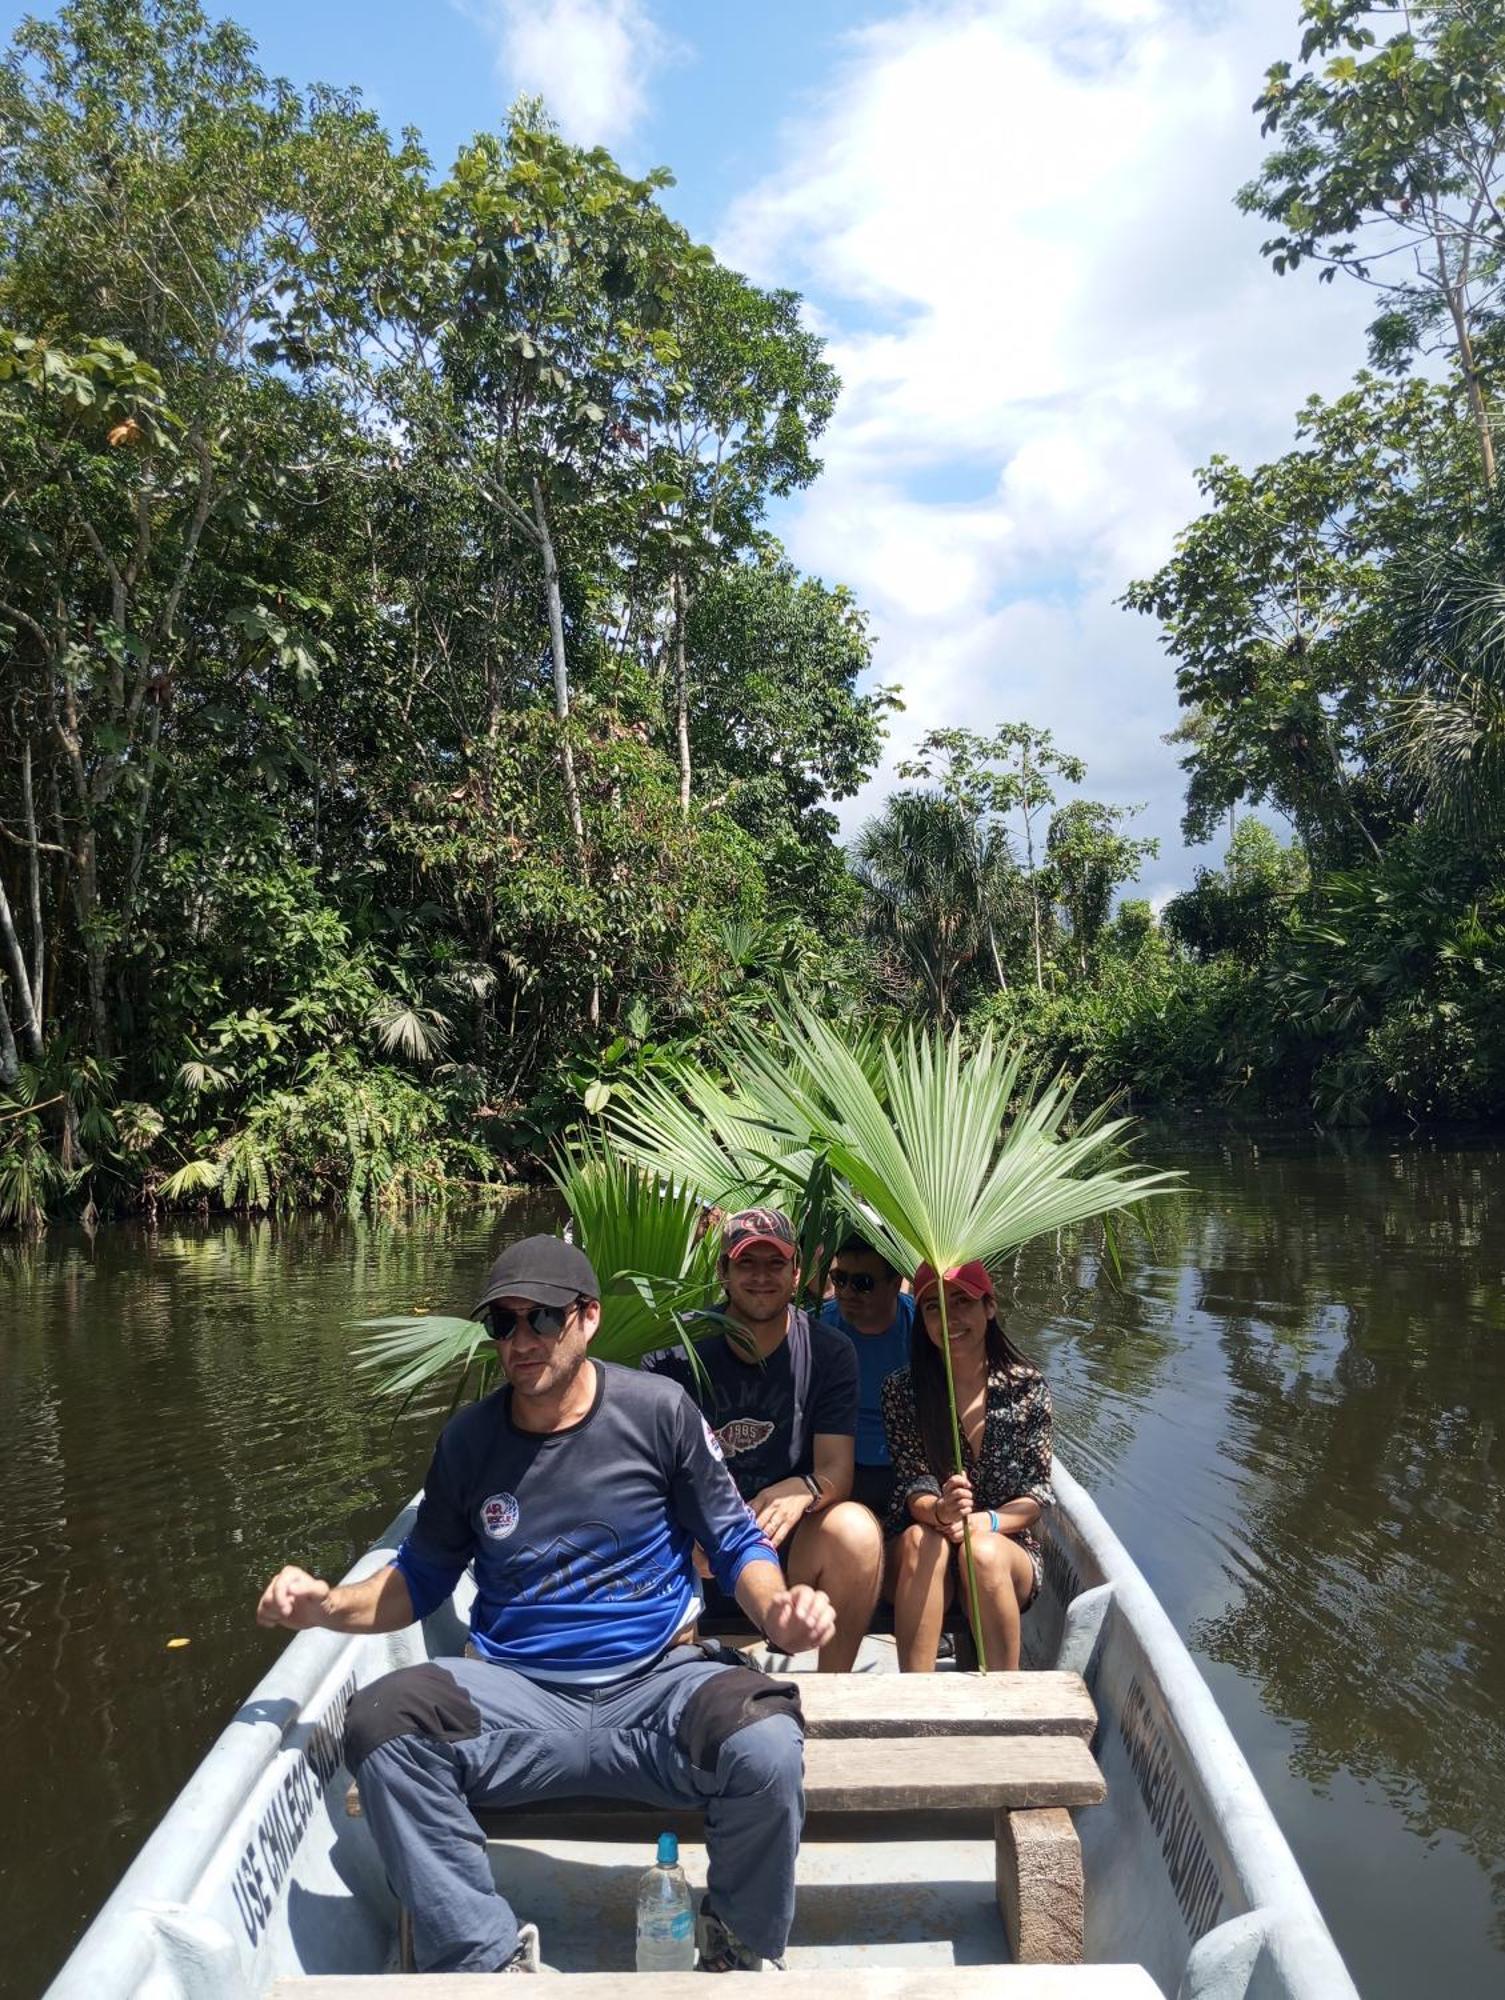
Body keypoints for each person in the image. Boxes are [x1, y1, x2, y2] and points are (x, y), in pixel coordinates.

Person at [255, 1234, 834, 1976]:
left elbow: (731, 1541)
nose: (520, 1340)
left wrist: (776, 1608)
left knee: (766, 1740)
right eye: (503, 1323)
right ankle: (487, 1958)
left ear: (587, 1319)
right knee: (380, 1721)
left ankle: (735, 1941)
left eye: (541, 1320)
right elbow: (417, 1579)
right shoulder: (468, 1442)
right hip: (516, 1694)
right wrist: (325, 1605)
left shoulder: (659, 1412)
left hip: (654, 1682)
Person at [648, 1208, 883, 1673]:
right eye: (746, 1264)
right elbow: (651, 1476)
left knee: (856, 1530)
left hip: (786, 1537)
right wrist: (689, 1528)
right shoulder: (674, 1352)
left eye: (774, 1264)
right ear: (723, 1273)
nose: (761, 1277)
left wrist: (805, 1489)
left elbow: (837, 1469)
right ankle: (679, 1683)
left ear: (796, 1273)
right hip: (699, 1539)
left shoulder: (830, 1353)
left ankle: (833, 1690)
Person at [879, 1259, 1052, 1674]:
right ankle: (915, 1707)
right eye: (934, 1307)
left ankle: (1004, 1706)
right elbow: (911, 1485)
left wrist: (985, 1522)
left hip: (1003, 1547)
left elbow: (1036, 1495)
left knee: (983, 1555)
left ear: (988, 1307)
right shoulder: (902, 1390)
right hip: (923, 1541)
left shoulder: (1027, 1388)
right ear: (922, 1319)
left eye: (962, 1302)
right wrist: (940, 1510)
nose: (950, 1318)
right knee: (926, 1543)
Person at [818, 1233, 915, 1520]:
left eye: (863, 1284)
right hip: (834, 1465)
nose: (847, 1292)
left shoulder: (923, 1334)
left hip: (904, 1469)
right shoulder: (819, 1327)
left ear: (896, 1284)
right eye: (839, 1279)